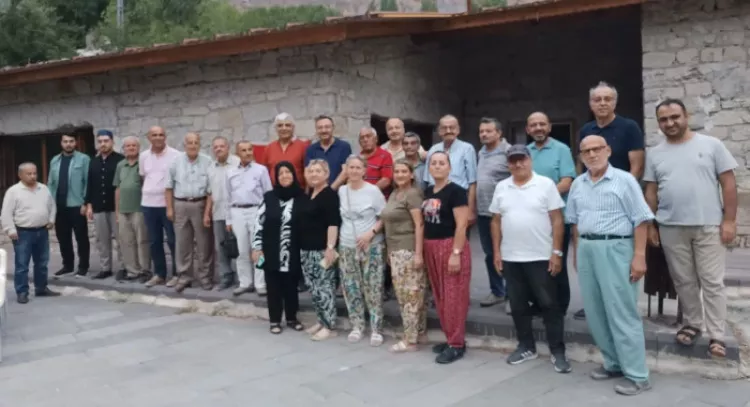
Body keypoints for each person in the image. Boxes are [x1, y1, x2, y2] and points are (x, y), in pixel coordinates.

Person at [644, 98, 737, 358]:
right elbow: (651, 191)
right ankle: (693, 323)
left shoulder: (711, 145)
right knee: (683, 280)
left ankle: (717, 334)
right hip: (670, 226)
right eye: (664, 119)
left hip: (708, 224)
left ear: (686, 116)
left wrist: (729, 220)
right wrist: (651, 224)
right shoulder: (655, 153)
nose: (670, 123)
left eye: (675, 117)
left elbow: (729, 183)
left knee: (712, 281)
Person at [567, 135, 654, 396]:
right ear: (581, 156)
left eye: (597, 149)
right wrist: (577, 252)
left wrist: (639, 256)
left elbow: (641, 219)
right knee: (595, 311)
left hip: (616, 248)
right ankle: (613, 363)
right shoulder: (578, 184)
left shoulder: (624, 180)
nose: (592, 154)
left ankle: (638, 375)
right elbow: (574, 221)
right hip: (587, 248)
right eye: (586, 151)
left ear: (608, 150)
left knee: (622, 310)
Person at [489, 145, 570, 373]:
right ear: (508, 164)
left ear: (530, 160)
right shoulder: (502, 187)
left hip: (541, 256)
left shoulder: (545, 184)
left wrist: (557, 252)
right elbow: (496, 221)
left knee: (549, 304)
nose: (518, 164)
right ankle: (526, 346)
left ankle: (557, 351)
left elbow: (557, 219)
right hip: (511, 257)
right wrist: (497, 252)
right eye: (513, 161)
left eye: (522, 159)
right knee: (517, 305)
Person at [575, 81, 646, 320]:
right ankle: (596, 305)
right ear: (590, 104)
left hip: (620, 197)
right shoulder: (586, 130)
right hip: (593, 193)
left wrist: (622, 190)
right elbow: (583, 163)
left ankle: (621, 308)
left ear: (615, 102)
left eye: (608, 99)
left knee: (618, 258)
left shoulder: (629, 127)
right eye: (597, 99)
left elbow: (637, 165)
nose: (603, 103)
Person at [422, 151, 471, 364]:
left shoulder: (457, 191)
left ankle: (457, 344)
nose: (437, 166)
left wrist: (456, 253)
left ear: (449, 167)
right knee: (441, 296)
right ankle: (450, 337)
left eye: (442, 163)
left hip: (450, 245)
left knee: (454, 297)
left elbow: (462, 224)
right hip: (431, 246)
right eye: (433, 163)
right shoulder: (428, 191)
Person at [527, 112, 577, 315]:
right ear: (528, 129)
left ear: (549, 127)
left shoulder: (561, 149)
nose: (538, 128)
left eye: (542, 124)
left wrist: (542, 196)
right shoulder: (526, 152)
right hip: (532, 219)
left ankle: (559, 306)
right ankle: (540, 303)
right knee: (536, 264)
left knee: (557, 262)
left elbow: (567, 181)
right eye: (533, 125)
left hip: (556, 218)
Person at [252, 162, 306, 334]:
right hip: (271, 250)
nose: (284, 176)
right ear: (276, 177)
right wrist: (257, 247)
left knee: (291, 286)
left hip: (293, 250)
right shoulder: (269, 197)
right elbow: (259, 222)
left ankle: (291, 318)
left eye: (288, 172)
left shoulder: (302, 197)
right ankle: (274, 320)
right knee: (273, 286)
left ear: (293, 175)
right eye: (280, 173)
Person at [338, 155, 387, 347]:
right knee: (351, 287)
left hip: (371, 246)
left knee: (373, 287)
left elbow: (384, 217)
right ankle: (357, 325)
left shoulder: (373, 191)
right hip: (347, 245)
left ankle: (376, 328)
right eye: (351, 167)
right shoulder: (342, 191)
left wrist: (370, 234)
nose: (354, 171)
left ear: (365, 170)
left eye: (358, 167)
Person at [381, 159, 427, 353]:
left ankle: (410, 340)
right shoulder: (395, 193)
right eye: (396, 171)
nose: (399, 175)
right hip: (395, 249)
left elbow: (419, 224)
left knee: (409, 296)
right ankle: (418, 333)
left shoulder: (413, 194)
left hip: (407, 249)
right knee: (408, 294)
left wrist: (418, 253)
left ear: (411, 174)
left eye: (403, 171)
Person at [1, 163, 60, 304]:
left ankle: (41, 288)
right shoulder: (13, 191)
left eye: (34, 173)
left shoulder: (43, 188)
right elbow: (6, 213)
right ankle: (22, 292)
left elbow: (52, 206)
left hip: (42, 231)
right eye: (29, 174)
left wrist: (51, 220)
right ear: (20, 175)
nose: (33, 176)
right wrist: (10, 229)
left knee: (42, 262)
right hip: (23, 233)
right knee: (22, 264)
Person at [166, 132, 214, 292]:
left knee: (204, 243)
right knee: (182, 243)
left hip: (200, 203)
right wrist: (169, 208)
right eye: (190, 142)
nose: (193, 145)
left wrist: (207, 212)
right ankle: (184, 276)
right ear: (184, 145)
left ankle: (205, 277)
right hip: (180, 204)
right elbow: (168, 187)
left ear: (199, 145)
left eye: (196, 142)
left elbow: (211, 191)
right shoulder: (176, 162)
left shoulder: (207, 161)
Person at [299, 160, 342, 341]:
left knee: (325, 288)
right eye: (311, 171)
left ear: (326, 174)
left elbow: (333, 223)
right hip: (306, 249)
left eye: (318, 171)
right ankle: (321, 320)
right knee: (314, 288)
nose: (314, 174)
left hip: (321, 250)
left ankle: (329, 325)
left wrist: (330, 247)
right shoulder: (310, 193)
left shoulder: (329, 195)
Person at [225, 141, 273, 296]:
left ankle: (260, 283)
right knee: (242, 250)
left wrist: (267, 215)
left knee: (258, 249)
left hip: (256, 211)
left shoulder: (261, 170)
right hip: (237, 212)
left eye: (249, 149)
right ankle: (245, 282)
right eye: (243, 150)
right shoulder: (230, 172)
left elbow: (268, 194)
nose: (247, 153)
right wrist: (228, 220)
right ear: (237, 153)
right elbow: (227, 197)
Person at [475, 117, 510, 308]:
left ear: (499, 133)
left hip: (504, 214)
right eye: (481, 131)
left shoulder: (508, 151)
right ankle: (497, 291)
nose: (484, 134)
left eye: (488, 131)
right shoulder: (481, 152)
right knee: (490, 254)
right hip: (483, 211)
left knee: (508, 254)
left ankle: (513, 295)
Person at [141, 126, 181, 288]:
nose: (158, 137)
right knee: (154, 241)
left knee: (173, 240)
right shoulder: (143, 156)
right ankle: (159, 274)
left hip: (168, 205)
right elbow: (144, 177)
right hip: (148, 205)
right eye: (154, 135)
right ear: (149, 137)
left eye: (161, 135)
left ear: (165, 137)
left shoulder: (176, 155)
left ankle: (177, 274)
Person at [47, 131, 91, 277]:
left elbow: (88, 182)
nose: (68, 144)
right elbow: (51, 183)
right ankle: (68, 265)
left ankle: (83, 266)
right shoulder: (55, 160)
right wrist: (50, 204)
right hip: (59, 206)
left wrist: (85, 202)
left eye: (71, 141)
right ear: (61, 143)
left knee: (81, 238)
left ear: (75, 142)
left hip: (77, 205)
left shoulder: (84, 159)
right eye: (65, 141)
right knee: (63, 238)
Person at [423, 115, 477, 228]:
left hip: (458, 200)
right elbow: (428, 181)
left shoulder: (467, 148)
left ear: (458, 130)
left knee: (460, 232)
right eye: (444, 128)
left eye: (452, 127)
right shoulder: (433, 149)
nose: (448, 131)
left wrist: (471, 210)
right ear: (439, 131)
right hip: (435, 201)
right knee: (436, 233)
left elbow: (472, 182)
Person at [85, 129, 125, 280]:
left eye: (106, 141)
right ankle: (105, 268)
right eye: (100, 141)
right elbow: (90, 185)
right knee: (102, 240)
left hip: (117, 207)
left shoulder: (121, 160)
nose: (103, 144)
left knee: (121, 239)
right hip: (98, 207)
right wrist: (89, 205)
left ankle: (124, 267)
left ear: (112, 142)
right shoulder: (93, 162)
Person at [113, 136, 151, 283]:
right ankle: (132, 271)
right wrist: (117, 211)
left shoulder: (143, 163)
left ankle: (145, 270)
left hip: (139, 209)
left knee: (142, 241)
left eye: (134, 146)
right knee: (126, 241)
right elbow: (118, 188)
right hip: (123, 210)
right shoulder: (120, 165)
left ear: (138, 148)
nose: (131, 148)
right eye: (128, 146)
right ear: (123, 149)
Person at [206, 136, 241, 290]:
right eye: (216, 147)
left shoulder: (238, 163)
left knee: (240, 246)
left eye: (222, 146)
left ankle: (243, 278)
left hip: (237, 213)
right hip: (218, 213)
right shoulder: (211, 167)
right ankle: (226, 277)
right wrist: (206, 213)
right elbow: (209, 193)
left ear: (228, 147)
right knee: (221, 247)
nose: (218, 149)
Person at [258, 113, 309, 189]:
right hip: (274, 192)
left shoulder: (303, 147)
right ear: (275, 129)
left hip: (298, 192)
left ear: (293, 128)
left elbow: (308, 172)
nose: (284, 128)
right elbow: (263, 173)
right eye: (280, 125)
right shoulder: (269, 148)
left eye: (287, 125)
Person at [304, 115, 352, 191]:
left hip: (337, 193)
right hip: (317, 193)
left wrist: (329, 191)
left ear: (333, 128)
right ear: (316, 130)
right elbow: (307, 173)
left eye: (327, 127)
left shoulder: (344, 147)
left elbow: (345, 172)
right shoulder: (311, 149)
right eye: (320, 127)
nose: (324, 130)